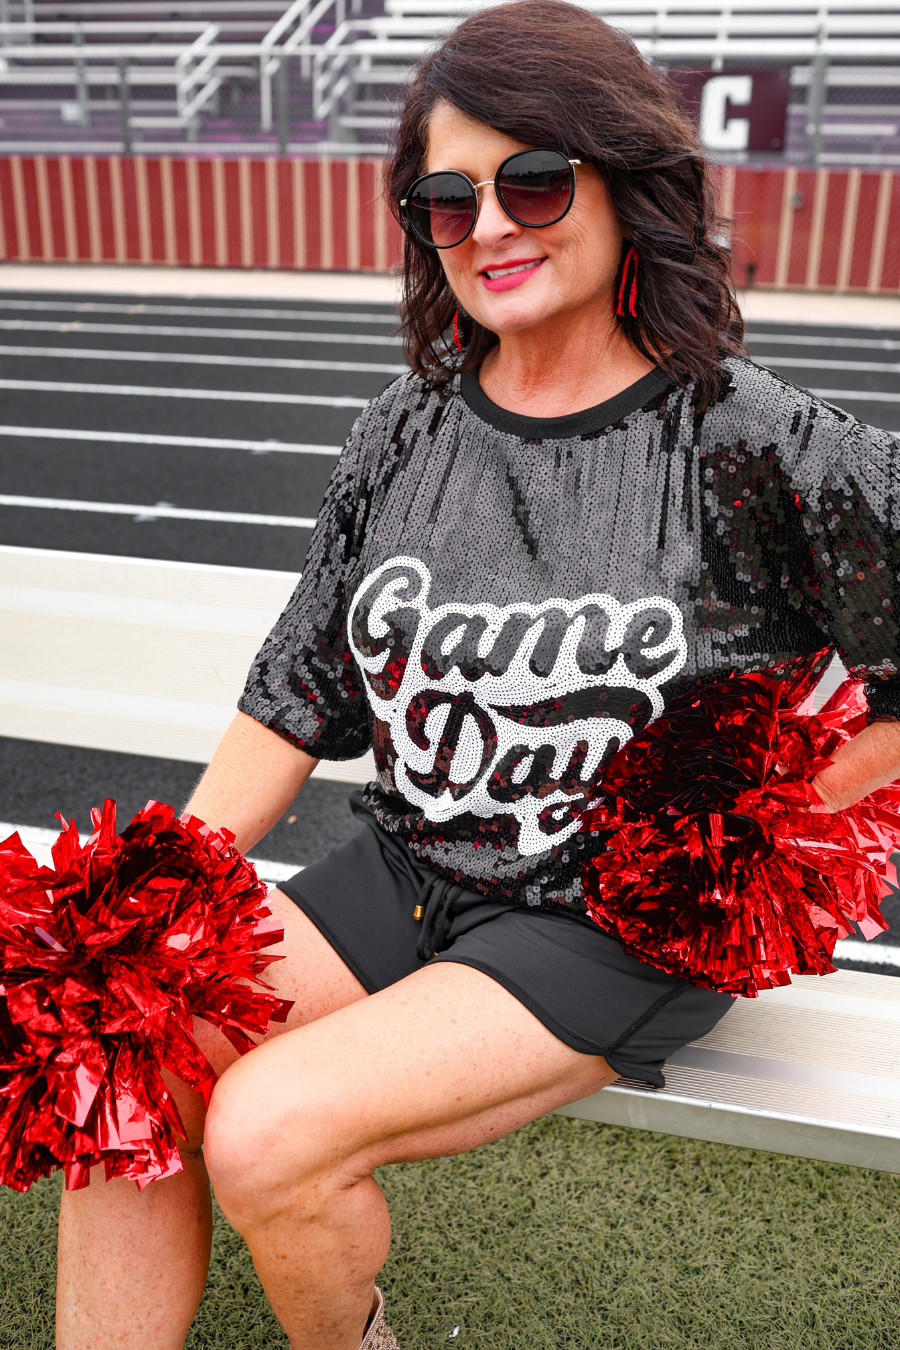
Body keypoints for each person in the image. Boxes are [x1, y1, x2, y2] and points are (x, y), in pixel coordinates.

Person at [55, 2, 900, 1347]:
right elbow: (299, 687)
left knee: (270, 1130)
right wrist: (144, 899)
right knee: (125, 1016)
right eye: (448, 201)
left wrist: (770, 812)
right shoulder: (406, 432)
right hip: (413, 864)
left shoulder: (758, 438)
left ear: (627, 184)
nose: (493, 226)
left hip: (604, 915)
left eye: (536, 181)